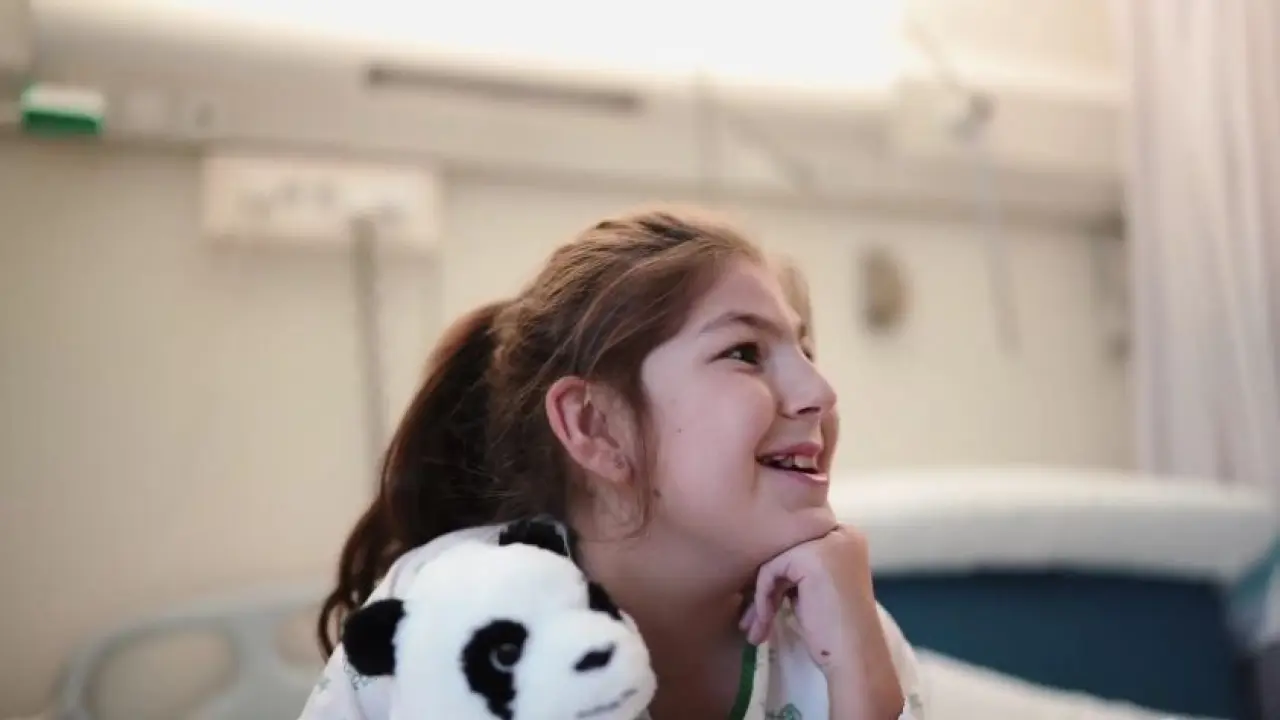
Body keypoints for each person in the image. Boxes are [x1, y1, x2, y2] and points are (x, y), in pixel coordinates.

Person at [299, 205, 927, 720]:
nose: (820, 391)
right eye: (744, 352)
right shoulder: (452, 611)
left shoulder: (845, 634)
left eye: (807, 351)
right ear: (594, 425)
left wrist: (863, 688)